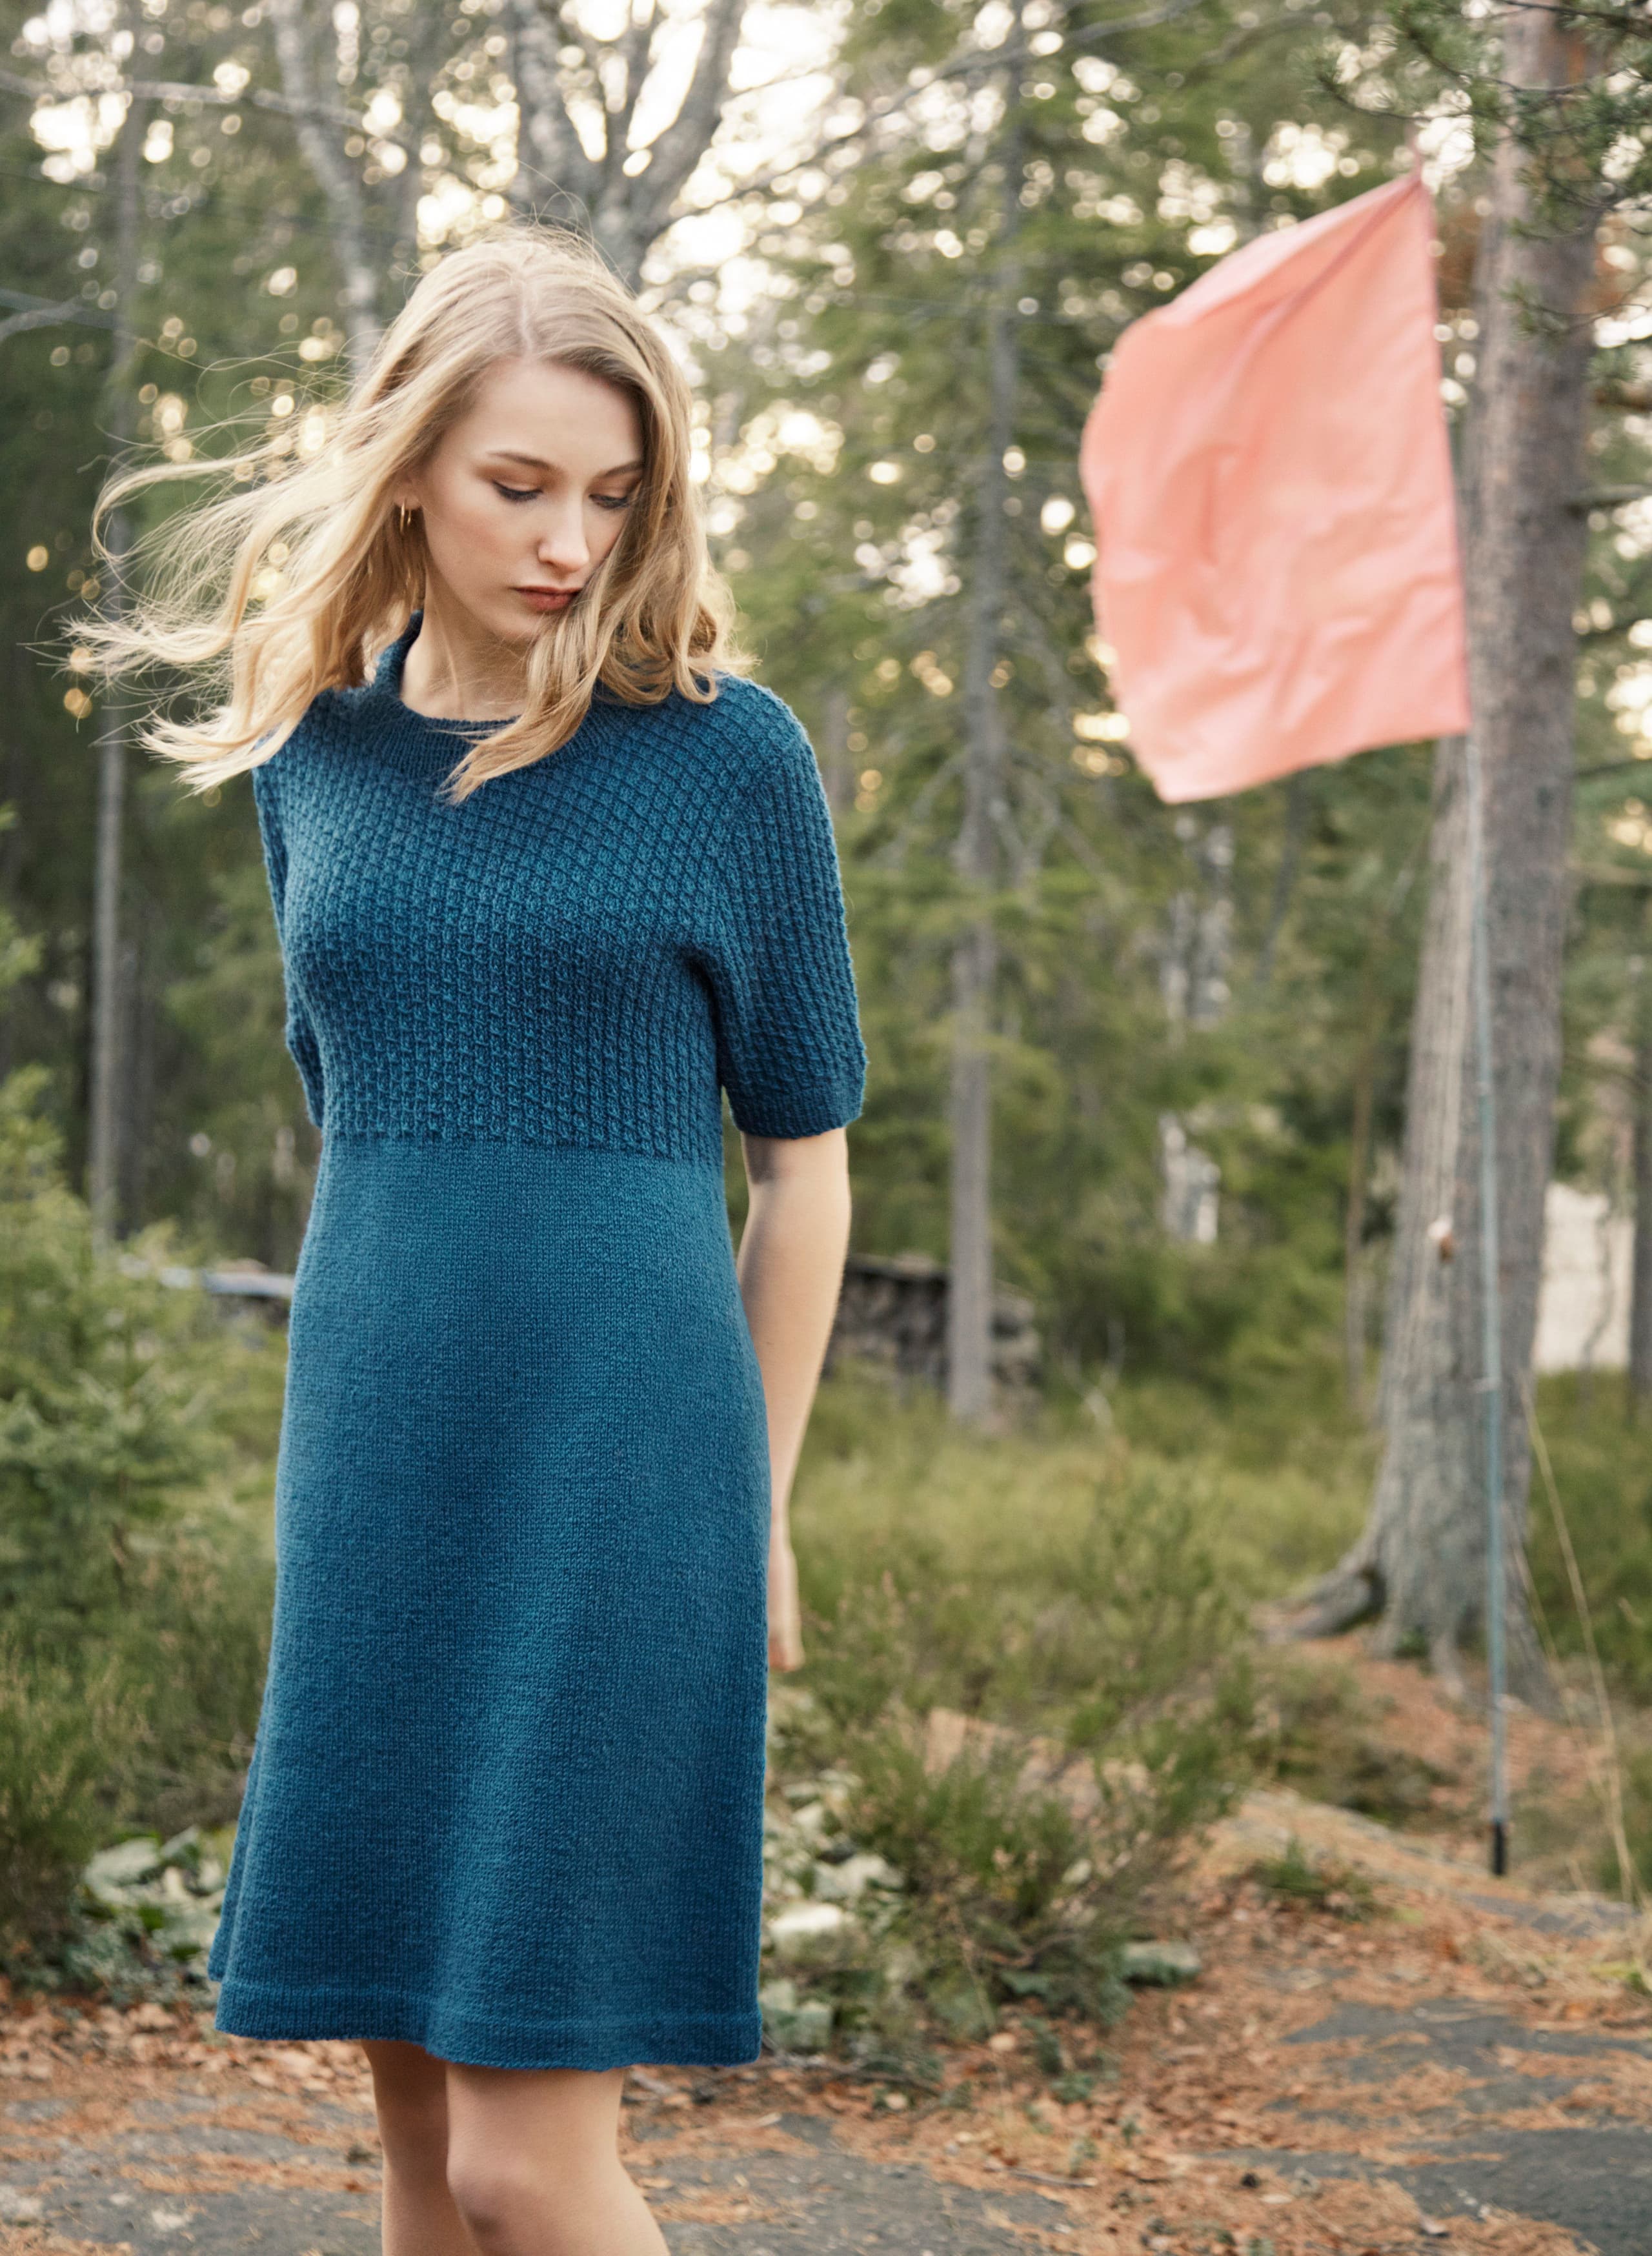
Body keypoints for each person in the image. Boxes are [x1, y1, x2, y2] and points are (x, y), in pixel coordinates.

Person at [73, 227, 865, 2256]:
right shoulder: (316, 757)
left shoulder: (728, 759)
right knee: (421, 2153)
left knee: (531, 2165)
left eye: (614, 494)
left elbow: (806, 1174)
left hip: (628, 1468)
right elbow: (362, 1117)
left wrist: (757, 1507)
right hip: (379, 1456)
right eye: (521, 485)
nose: (570, 543)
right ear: (413, 465)